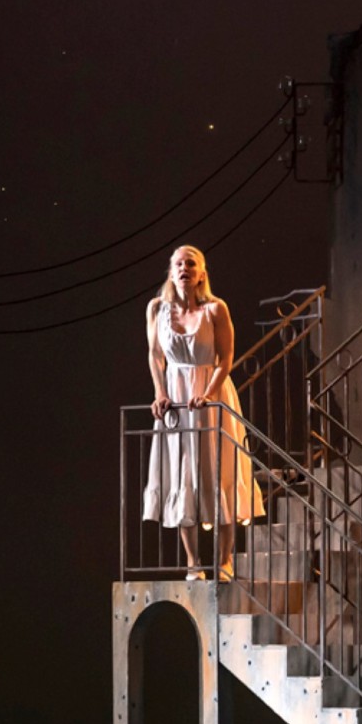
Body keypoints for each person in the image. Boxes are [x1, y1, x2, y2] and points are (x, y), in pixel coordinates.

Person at [141, 245, 263, 581]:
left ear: (201, 274)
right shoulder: (157, 309)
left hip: (210, 396)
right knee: (184, 474)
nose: (184, 268)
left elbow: (226, 357)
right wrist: (160, 393)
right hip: (177, 400)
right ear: (171, 272)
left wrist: (208, 393)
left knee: (220, 471)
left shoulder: (215, 309)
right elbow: (155, 355)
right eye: (179, 263)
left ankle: (224, 561)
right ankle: (193, 562)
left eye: (191, 264)